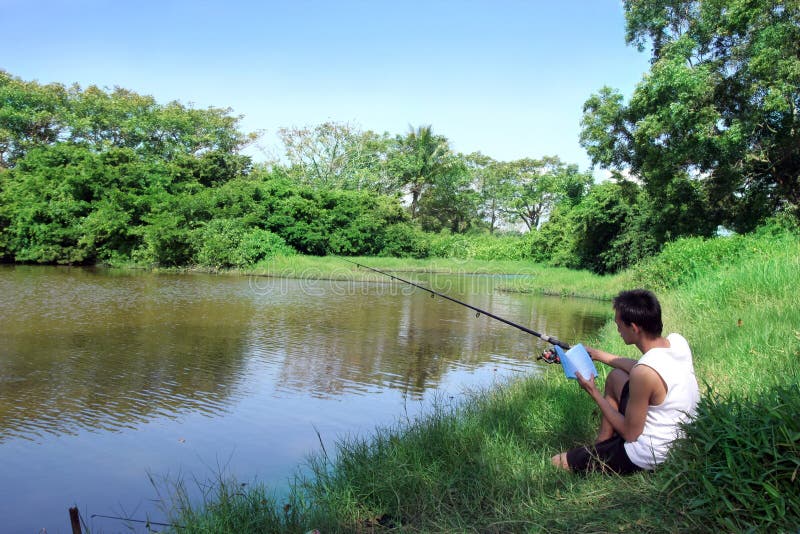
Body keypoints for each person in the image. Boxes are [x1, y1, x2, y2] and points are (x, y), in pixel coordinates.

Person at [551, 289, 699, 474]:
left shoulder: (643, 373)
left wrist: (593, 392)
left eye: (619, 324)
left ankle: (602, 454)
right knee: (616, 377)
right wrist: (597, 355)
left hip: (651, 455)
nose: (618, 329)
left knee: (558, 462)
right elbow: (638, 366)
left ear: (634, 328)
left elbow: (631, 434)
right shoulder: (677, 342)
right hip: (682, 441)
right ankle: (603, 443)